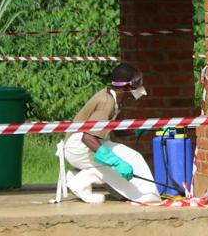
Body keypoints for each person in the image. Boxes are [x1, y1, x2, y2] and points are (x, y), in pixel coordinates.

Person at [63, 63, 161, 203]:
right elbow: (88, 137)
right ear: (126, 86)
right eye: (137, 82)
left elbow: (110, 129)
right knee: (133, 157)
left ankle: (80, 179)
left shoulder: (114, 100)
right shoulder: (106, 102)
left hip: (83, 145)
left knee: (119, 171)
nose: (140, 86)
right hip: (78, 146)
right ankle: (147, 196)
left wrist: (135, 131)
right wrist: (116, 162)